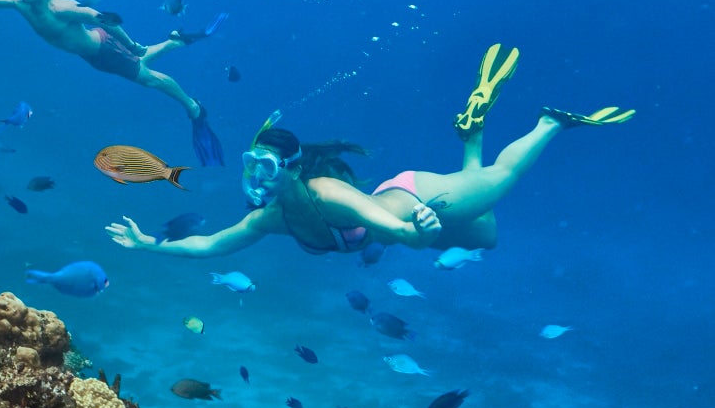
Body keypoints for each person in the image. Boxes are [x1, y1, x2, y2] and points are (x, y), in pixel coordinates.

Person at [104, 43, 635, 257]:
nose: (256, 176)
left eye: (265, 166)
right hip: (407, 208)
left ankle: (548, 124)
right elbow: (214, 245)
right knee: (488, 237)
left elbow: (396, 231)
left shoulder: (327, 193)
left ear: (290, 167)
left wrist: (417, 231)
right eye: (250, 164)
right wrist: (149, 244)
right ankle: (473, 126)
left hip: (422, 198)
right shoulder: (271, 218)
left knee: (502, 176)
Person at [0, 0, 225, 165]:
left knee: (147, 78)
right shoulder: (21, 2)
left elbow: (104, 19)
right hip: (94, 56)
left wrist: (131, 44)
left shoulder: (63, 8)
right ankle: (174, 41)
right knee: (137, 63)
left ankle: (193, 106)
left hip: (105, 51)